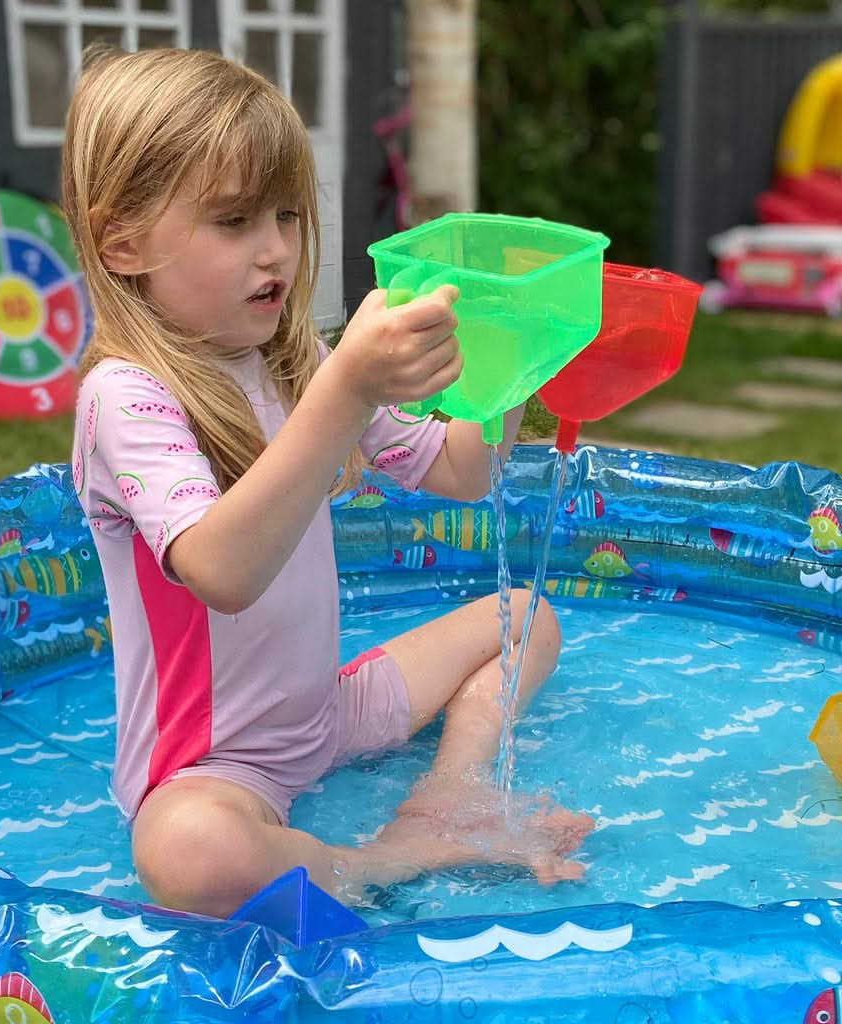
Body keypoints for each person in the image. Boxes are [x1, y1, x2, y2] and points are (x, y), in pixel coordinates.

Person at [63, 46, 593, 919]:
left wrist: (513, 359)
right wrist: (346, 388)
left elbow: (460, 472)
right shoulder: (126, 396)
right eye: (233, 221)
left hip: (327, 714)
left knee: (528, 619)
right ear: (123, 241)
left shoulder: (296, 360)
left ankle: (446, 795)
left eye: (286, 214)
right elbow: (222, 572)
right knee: (192, 856)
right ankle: (381, 861)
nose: (275, 249)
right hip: (214, 765)